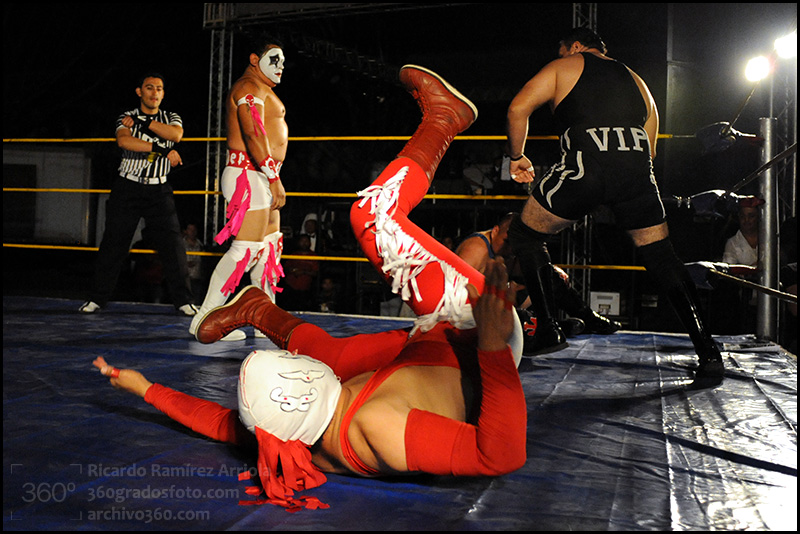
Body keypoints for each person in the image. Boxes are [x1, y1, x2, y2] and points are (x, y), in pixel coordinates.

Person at [94, 65, 527, 512]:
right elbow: (498, 456)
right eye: (293, 363)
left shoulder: (297, 435)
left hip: (421, 353)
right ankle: (444, 119)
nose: (298, 360)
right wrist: (494, 348)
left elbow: (223, 423)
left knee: (334, 357)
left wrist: (145, 389)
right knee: (371, 217)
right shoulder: (379, 426)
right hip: (469, 333)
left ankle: (257, 308)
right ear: (305, 390)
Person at [505, 27, 724, 386]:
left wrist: (517, 156)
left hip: (586, 167)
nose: (560, 56)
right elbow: (651, 147)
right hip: (635, 172)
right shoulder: (638, 81)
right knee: (662, 257)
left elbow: (518, 108)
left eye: (562, 50)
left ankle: (548, 327)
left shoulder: (567, 65)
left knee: (524, 235)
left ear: (576, 46)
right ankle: (708, 351)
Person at [188, 38, 289, 341]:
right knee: (246, 249)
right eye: (275, 59)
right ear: (255, 59)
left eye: (284, 61)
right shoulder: (248, 86)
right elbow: (253, 132)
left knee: (268, 249)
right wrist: (272, 176)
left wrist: (271, 176)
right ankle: (204, 318)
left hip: (261, 174)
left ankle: (265, 321)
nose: (281, 66)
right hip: (250, 174)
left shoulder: (261, 89)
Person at [79, 73, 197, 316]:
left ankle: (184, 301)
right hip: (128, 186)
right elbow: (125, 142)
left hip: (159, 188)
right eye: (149, 87)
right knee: (114, 243)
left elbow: (175, 135)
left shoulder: (170, 117)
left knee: (173, 245)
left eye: (159, 89)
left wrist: (142, 123)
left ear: (163, 94)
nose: (154, 92)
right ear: (139, 92)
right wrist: (161, 150)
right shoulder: (125, 117)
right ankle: (96, 299)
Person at [456, 213, 620, 354]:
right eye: (507, 241)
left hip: (501, 301)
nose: (511, 248)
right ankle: (557, 327)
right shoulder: (476, 248)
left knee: (551, 278)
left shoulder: (511, 250)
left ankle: (587, 317)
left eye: (513, 243)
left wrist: (550, 270)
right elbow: (457, 292)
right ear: (495, 231)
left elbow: (531, 273)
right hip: (474, 309)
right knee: (513, 317)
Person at [722, 197, 762, 267]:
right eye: (743, 216)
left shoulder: (768, 239)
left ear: (758, 217)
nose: (746, 220)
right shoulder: (732, 243)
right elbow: (729, 270)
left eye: (751, 216)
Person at [183, 223, 206, 304]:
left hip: (197, 277)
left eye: (194, 230)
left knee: (197, 299)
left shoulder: (200, 245)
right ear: (186, 231)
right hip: (185, 277)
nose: (192, 232)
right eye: (190, 230)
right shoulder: (181, 244)